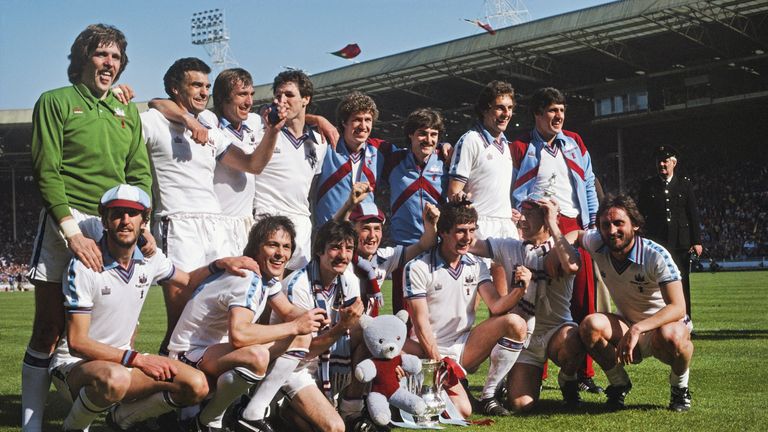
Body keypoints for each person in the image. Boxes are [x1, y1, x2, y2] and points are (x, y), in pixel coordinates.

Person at [24, 24, 152, 432]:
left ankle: (99, 408)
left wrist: (142, 220)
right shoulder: (54, 101)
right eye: (101, 54)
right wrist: (72, 232)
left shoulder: (126, 108)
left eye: (115, 57)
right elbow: (47, 171)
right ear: (82, 58)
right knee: (48, 326)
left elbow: (139, 172)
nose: (109, 63)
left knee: (113, 328)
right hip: (68, 220)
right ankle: (31, 423)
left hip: (113, 221)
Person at [48, 184, 254, 431]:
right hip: (74, 367)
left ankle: (123, 419)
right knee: (116, 378)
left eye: (132, 213)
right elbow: (78, 343)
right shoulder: (84, 266)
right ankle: (72, 428)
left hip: (124, 362)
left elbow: (186, 280)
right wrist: (136, 359)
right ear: (104, 219)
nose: (125, 220)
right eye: (117, 213)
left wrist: (219, 264)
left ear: (144, 221)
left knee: (196, 385)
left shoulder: (150, 260)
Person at [142, 58, 283, 350]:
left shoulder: (209, 127)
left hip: (215, 225)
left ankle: (206, 389)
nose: (204, 92)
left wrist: (273, 132)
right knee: (181, 321)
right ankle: (170, 389)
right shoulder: (153, 121)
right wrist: (185, 118)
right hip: (177, 223)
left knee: (214, 316)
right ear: (174, 89)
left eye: (207, 86)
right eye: (196, 85)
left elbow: (252, 164)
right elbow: (152, 104)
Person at [148, 68, 338, 255]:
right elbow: (158, 103)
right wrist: (186, 119)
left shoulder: (254, 124)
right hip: (218, 220)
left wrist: (318, 119)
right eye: (241, 94)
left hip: (247, 224)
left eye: (251, 94)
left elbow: (287, 116)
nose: (249, 101)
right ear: (223, 98)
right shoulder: (209, 121)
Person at [167, 215, 327, 432]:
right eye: (273, 245)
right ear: (256, 248)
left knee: (301, 335)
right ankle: (210, 420)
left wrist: (314, 317)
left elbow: (288, 310)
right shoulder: (247, 278)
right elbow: (240, 335)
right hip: (188, 356)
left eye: (286, 246)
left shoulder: (265, 277)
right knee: (257, 356)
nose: (281, 253)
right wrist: (296, 326)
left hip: (210, 351)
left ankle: (252, 412)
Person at [510, 87, 602, 393]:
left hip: (574, 224)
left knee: (583, 300)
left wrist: (591, 224)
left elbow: (588, 182)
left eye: (561, 110)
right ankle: (539, 366)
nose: (558, 116)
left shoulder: (574, 142)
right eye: (551, 110)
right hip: (537, 226)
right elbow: (509, 187)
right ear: (537, 114)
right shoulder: (521, 147)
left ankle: (583, 371)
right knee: (537, 297)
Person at [403, 202, 529, 418]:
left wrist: (519, 289)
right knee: (462, 411)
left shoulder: (475, 263)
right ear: (443, 232)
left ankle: (488, 395)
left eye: (471, 230)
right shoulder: (418, 267)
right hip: (427, 350)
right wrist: (439, 366)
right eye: (460, 231)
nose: (467, 237)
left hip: (463, 348)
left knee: (516, 323)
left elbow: (496, 306)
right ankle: (417, 390)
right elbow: (421, 325)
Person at [574, 194, 694, 412]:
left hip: (662, 327)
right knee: (589, 326)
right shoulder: (598, 242)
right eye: (605, 225)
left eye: (619, 223)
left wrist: (638, 329)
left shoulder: (655, 255)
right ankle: (619, 384)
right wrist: (557, 252)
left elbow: (678, 308)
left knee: (674, 337)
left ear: (635, 225)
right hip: (627, 324)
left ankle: (680, 389)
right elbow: (577, 234)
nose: (611, 231)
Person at [275, 220, 364, 432]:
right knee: (333, 428)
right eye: (335, 247)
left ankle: (351, 410)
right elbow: (304, 351)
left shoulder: (349, 280)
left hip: (329, 360)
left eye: (348, 248)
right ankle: (284, 408)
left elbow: (356, 331)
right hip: (295, 367)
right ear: (319, 250)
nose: (343, 255)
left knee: (371, 338)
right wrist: (341, 327)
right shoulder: (298, 286)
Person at [499, 198, 585, 411]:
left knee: (573, 339)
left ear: (546, 220)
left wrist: (555, 225)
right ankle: (507, 382)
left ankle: (568, 379)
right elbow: (475, 244)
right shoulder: (512, 246)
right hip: (526, 336)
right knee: (520, 405)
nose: (523, 220)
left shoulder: (562, 248)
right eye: (522, 214)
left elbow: (572, 266)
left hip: (557, 330)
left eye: (530, 215)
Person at [448, 81, 518, 301]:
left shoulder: (506, 145)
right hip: (480, 227)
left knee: (507, 301)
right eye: (500, 107)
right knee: (470, 302)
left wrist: (510, 212)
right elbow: (454, 191)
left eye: (509, 108)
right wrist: (464, 208)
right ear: (485, 109)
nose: (506, 113)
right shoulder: (470, 140)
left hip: (506, 226)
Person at [253, 70, 328, 271]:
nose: (282, 100)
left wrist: (318, 120)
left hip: (301, 224)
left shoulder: (319, 142)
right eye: (278, 96)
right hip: (267, 221)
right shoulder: (263, 131)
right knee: (264, 294)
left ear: (305, 99)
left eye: (289, 95)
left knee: (295, 295)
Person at [383, 108, 448, 314]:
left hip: (438, 251)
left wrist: (449, 146)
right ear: (410, 134)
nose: (428, 139)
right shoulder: (393, 160)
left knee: (438, 316)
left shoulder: (447, 161)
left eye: (434, 134)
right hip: (404, 251)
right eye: (422, 133)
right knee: (403, 317)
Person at [638, 145, 702, 325]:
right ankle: (658, 322)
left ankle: (685, 322)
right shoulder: (648, 186)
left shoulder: (684, 184)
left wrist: (696, 240)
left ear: (674, 162)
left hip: (680, 242)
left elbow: (692, 214)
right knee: (656, 283)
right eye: (658, 161)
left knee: (682, 283)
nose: (661, 164)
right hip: (657, 242)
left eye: (665, 161)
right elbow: (640, 214)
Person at [314, 92, 390, 226]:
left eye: (368, 120)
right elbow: (294, 120)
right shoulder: (327, 145)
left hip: (363, 235)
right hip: (330, 233)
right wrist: (317, 119)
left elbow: (416, 151)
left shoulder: (380, 150)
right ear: (344, 122)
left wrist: (440, 147)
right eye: (357, 119)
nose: (363, 126)